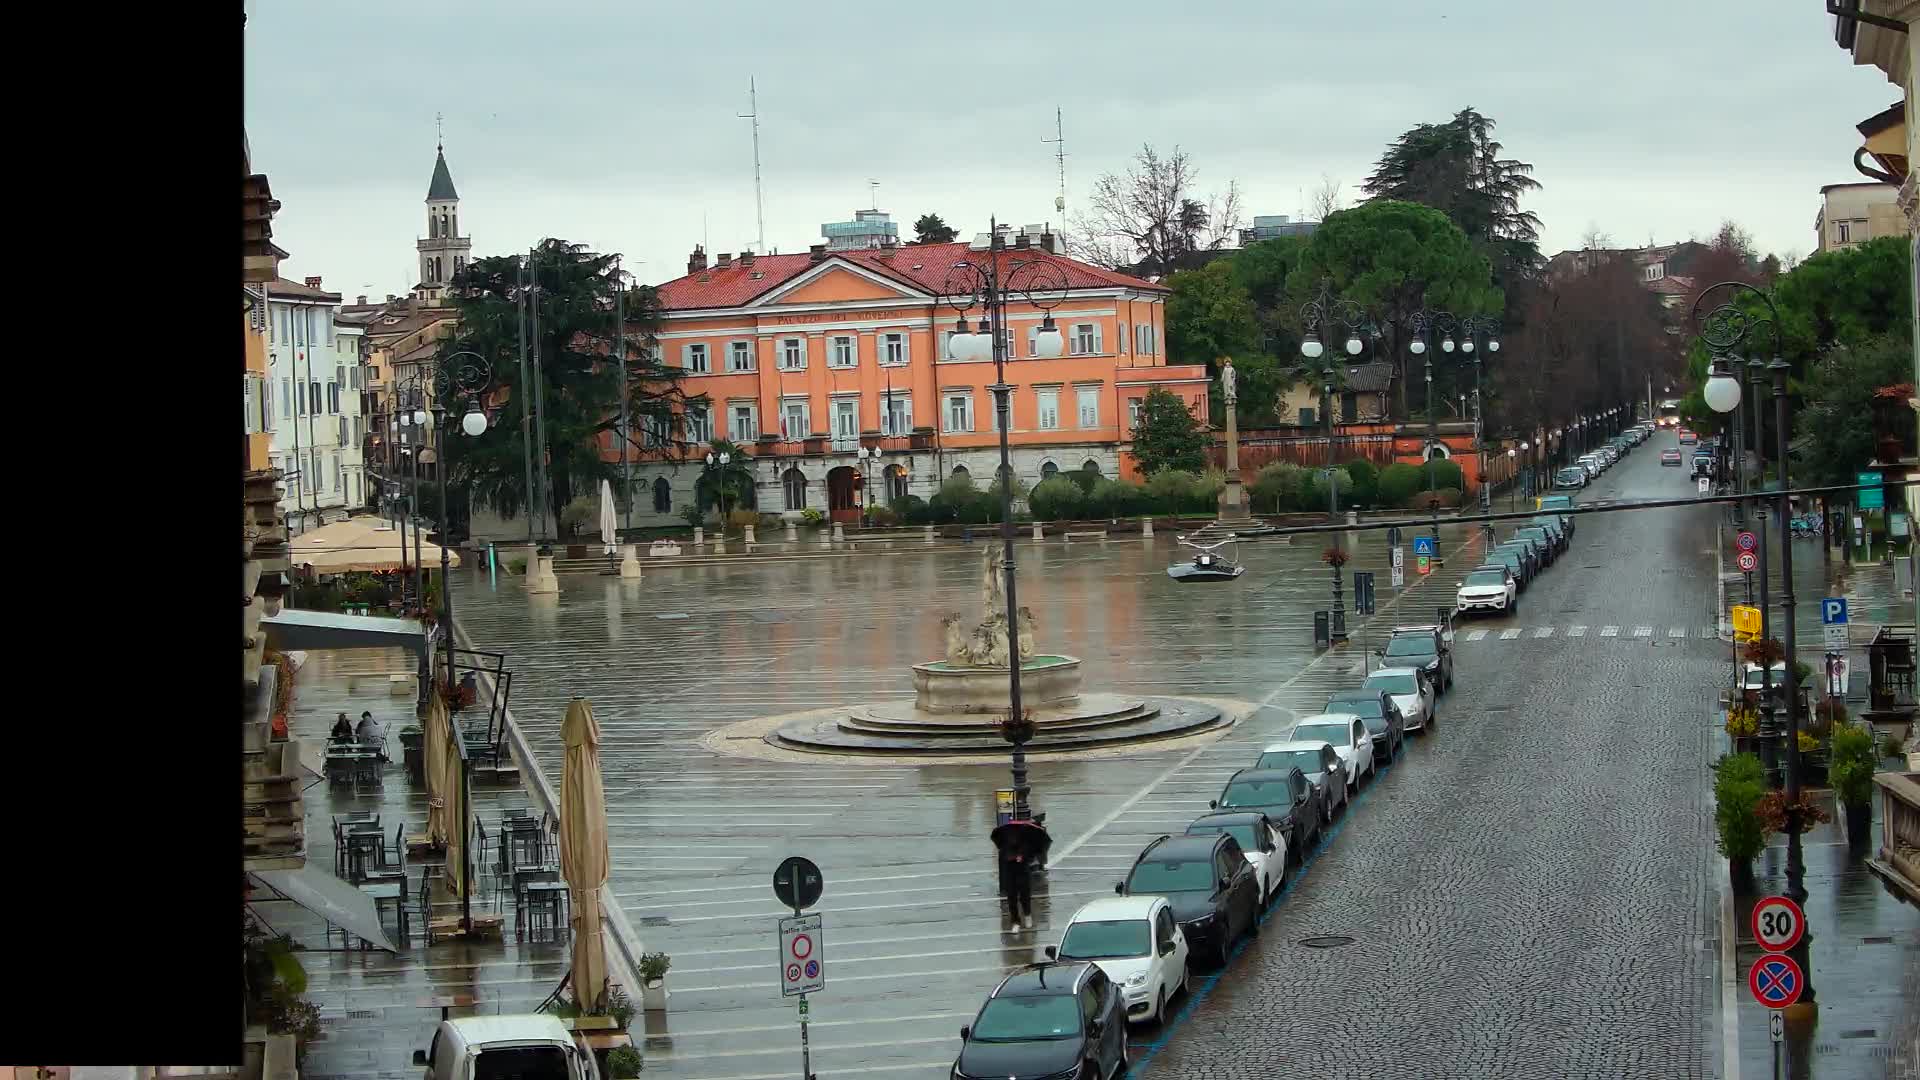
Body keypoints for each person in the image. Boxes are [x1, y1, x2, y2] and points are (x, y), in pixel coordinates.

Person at [998, 844, 1034, 931]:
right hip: (1009, 870)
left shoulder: (1025, 835)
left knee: (1024, 895)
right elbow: (1002, 853)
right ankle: (1015, 921)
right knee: (1011, 897)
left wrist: (1023, 856)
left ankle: (1027, 914)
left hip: (1023, 870)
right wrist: (1009, 857)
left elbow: (1031, 853)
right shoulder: (1004, 835)